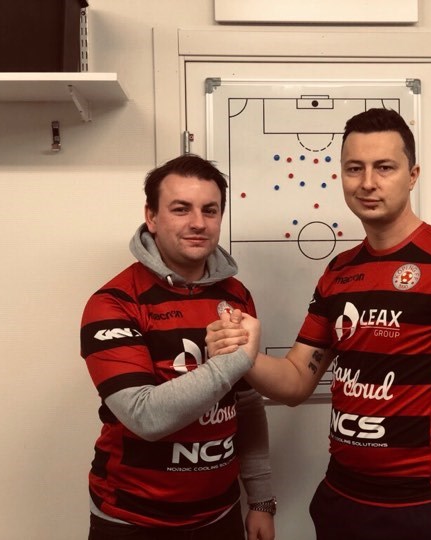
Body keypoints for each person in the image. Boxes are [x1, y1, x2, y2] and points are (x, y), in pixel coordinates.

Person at [207, 108, 431, 540]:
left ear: (412, 175)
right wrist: (242, 354)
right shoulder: (339, 272)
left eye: (384, 167)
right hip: (342, 499)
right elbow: (296, 380)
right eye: (354, 168)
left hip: (421, 504)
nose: (367, 182)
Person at [80, 154, 275, 540]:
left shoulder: (237, 296)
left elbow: (247, 404)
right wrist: (233, 361)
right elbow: (145, 417)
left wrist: (261, 501)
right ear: (151, 217)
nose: (198, 223)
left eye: (210, 210)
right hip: (132, 520)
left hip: (220, 515)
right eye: (181, 209)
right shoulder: (114, 302)